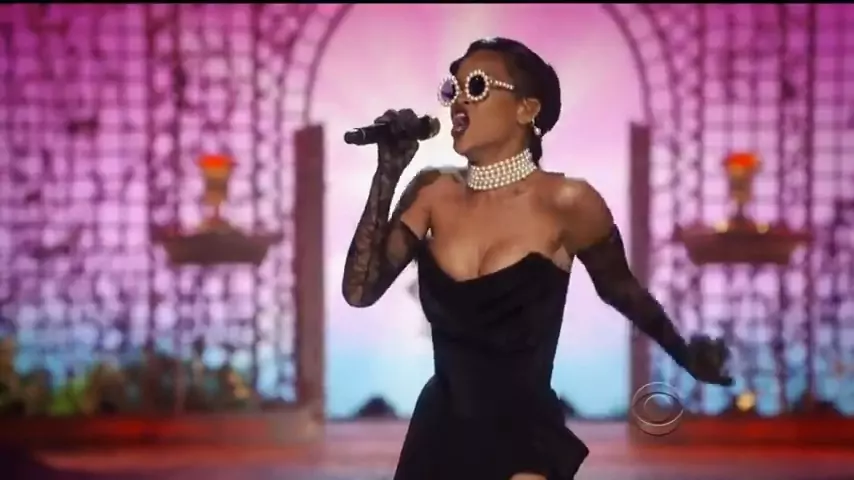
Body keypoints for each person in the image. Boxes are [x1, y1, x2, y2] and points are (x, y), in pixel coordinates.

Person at [341, 37, 732, 480]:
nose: (459, 102)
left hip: (524, 434)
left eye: (476, 86)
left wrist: (685, 355)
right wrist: (388, 171)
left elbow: (623, 291)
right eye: (453, 90)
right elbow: (360, 290)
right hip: (438, 432)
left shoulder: (569, 202)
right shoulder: (432, 192)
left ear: (527, 109)